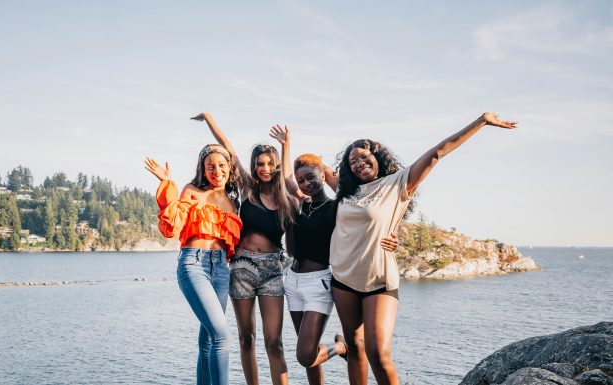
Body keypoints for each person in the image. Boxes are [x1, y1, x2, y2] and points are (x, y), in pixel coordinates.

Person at [330, 112, 517, 385]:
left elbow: (439, 152)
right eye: (352, 161)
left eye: (364, 156)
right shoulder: (346, 192)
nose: (359, 163)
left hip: (379, 280)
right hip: (343, 279)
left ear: (377, 157)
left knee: (378, 353)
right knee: (355, 347)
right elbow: (316, 170)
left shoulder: (398, 183)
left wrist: (482, 121)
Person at [269, 125, 398, 385]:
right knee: (309, 351)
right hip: (293, 281)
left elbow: (369, 216)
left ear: (322, 174)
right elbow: (286, 180)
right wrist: (285, 145)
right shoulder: (301, 202)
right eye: (301, 179)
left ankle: (341, 348)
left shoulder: (337, 206)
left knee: (305, 355)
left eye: (310, 177)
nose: (305, 183)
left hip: (320, 281)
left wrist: (394, 236)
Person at [192, 112, 297, 385]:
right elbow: (227, 146)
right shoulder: (248, 189)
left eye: (269, 164)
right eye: (260, 163)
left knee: (275, 342)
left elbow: (288, 179)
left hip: (273, 269)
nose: (264, 168)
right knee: (246, 337)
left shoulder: (285, 197)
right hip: (242, 266)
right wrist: (209, 119)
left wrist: (286, 147)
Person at [144, 143, 243, 385]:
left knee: (209, 340)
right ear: (203, 169)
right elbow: (173, 223)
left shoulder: (233, 202)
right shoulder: (191, 191)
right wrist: (166, 182)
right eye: (210, 166)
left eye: (221, 165)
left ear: (229, 168)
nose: (216, 170)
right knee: (222, 336)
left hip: (221, 269)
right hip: (193, 264)